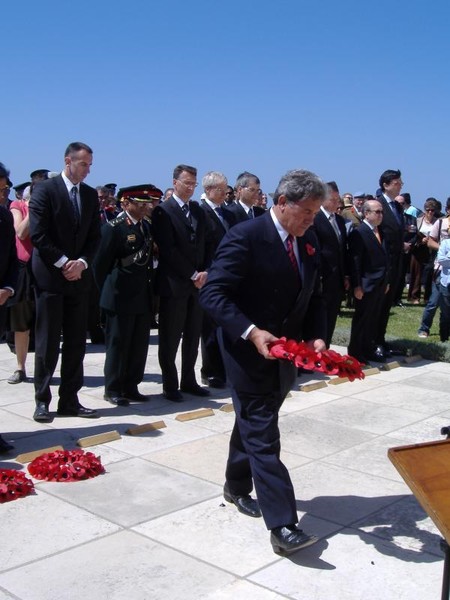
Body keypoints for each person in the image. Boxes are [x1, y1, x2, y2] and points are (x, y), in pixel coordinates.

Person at [200, 169, 327, 555]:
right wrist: (252, 331)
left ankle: (236, 486)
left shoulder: (309, 239)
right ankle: (283, 525)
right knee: (263, 435)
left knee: (254, 422)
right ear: (282, 202)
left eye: (316, 212)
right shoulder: (245, 237)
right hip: (247, 353)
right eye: (306, 211)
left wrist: (317, 334)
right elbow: (214, 295)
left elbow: (315, 295)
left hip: (285, 355)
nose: (312, 219)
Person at [29, 142, 101, 422]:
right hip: (51, 276)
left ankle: (70, 399)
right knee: (47, 343)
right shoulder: (46, 190)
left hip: (78, 278)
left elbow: (95, 236)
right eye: (83, 164)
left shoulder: (89, 195)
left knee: (75, 343)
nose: (87, 170)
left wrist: (82, 263)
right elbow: (39, 234)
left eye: (90, 165)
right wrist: (63, 263)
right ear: (68, 161)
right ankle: (42, 400)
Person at [94, 184, 161, 405]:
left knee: (138, 345)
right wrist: (105, 295)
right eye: (140, 204)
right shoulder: (113, 228)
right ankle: (113, 388)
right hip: (119, 296)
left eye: (147, 204)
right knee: (118, 345)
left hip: (141, 295)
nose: (145, 208)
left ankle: (131, 386)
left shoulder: (146, 227)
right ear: (125, 203)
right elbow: (99, 266)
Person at [152, 164, 209, 401]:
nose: (190, 188)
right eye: (187, 183)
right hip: (175, 283)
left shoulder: (197, 210)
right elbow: (168, 249)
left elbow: (204, 242)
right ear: (175, 182)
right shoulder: (163, 211)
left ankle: (188, 379)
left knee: (193, 335)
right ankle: (170, 384)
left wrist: (204, 272)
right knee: (170, 337)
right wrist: (192, 274)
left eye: (194, 184)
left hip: (197, 285)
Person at [199, 171, 236, 388]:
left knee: (228, 326)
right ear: (209, 190)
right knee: (210, 329)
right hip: (211, 277)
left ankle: (226, 367)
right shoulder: (201, 213)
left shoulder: (229, 214)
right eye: (221, 190)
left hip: (230, 277)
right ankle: (211, 371)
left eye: (226, 189)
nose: (225, 193)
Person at [347, 200, 391, 363]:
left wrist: (386, 281)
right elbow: (355, 261)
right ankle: (356, 352)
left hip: (380, 283)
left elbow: (386, 257)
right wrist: (357, 285)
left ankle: (368, 348)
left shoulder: (381, 231)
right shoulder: (360, 232)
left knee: (373, 319)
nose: (380, 215)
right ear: (366, 213)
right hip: (366, 284)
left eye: (381, 212)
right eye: (377, 212)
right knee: (362, 319)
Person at [312, 181, 350, 347]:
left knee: (332, 315)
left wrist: (346, 275)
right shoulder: (316, 218)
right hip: (322, 277)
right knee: (318, 317)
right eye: (333, 200)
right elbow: (315, 249)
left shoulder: (340, 221)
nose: (337, 203)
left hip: (337, 278)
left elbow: (342, 250)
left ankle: (326, 348)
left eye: (338, 200)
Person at [375, 169, 404, 358]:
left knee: (386, 306)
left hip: (397, 264)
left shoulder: (397, 206)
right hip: (383, 265)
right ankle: (372, 342)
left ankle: (381, 340)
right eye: (396, 183)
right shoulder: (378, 205)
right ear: (385, 185)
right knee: (377, 307)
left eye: (401, 182)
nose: (400, 185)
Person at [7, 184, 34, 384]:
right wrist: (33, 209)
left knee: (44, 322)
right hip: (23, 269)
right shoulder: (18, 206)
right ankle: (20, 367)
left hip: (45, 269)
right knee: (21, 323)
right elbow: (21, 233)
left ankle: (44, 367)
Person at [0, 162, 18, 453]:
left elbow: (13, 259)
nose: (4, 195)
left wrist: (8, 287)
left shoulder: (3, 217)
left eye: (5, 189)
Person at [418, 197, 450, 339]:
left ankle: (445, 333)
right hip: (441, 267)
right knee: (434, 301)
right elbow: (430, 242)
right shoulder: (441, 222)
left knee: (447, 306)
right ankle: (424, 328)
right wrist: (444, 248)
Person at [407, 198, 438, 305]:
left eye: (432, 210)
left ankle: (427, 297)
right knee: (416, 273)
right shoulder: (418, 220)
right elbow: (413, 234)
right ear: (425, 210)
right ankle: (414, 297)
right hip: (419, 248)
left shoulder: (437, 222)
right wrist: (421, 240)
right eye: (428, 210)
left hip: (432, 250)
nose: (430, 212)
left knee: (430, 273)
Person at [436, 238, 450, 342]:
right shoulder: (446, 243)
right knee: (445, 313)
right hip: (446, 283)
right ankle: (444, 338)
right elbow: (441, 260)